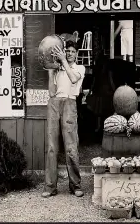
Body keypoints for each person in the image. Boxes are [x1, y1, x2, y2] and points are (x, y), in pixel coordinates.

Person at [42, 40, 85, 198]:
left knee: (71, 147)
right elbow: (52, 93)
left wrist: (64, 62)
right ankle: (50, 187)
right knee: (52, 147)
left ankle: (75, 185)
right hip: (54, 103)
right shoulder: (58, 68)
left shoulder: (79, 68)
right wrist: (51, 71)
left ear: (77, 54)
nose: (70, 54)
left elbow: (74, 79)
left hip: (69, 103)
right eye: (67, 51)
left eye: (73, 51)